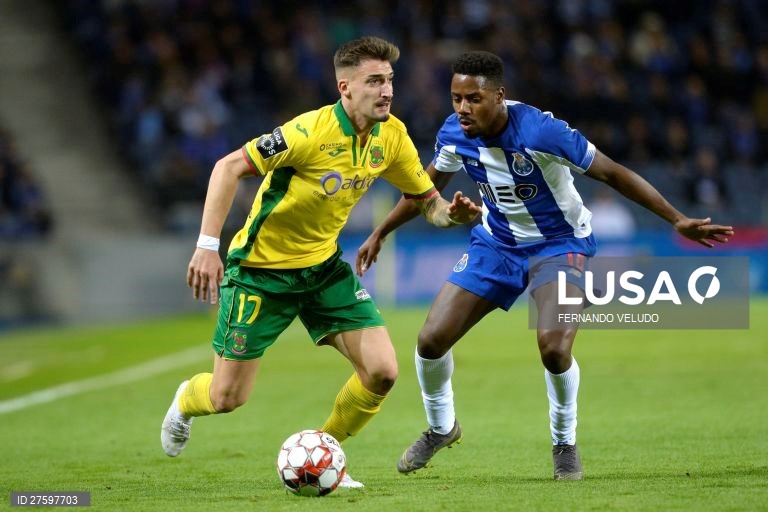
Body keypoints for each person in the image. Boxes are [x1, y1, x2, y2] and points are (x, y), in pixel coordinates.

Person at [356, 51, 733, 481]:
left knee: (554, 347)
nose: (462, 108)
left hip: (559, 245)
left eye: (473, 99)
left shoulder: (542, 131)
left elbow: (612, 173)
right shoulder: (453, 133)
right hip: (496, 244)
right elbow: (423, 191)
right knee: (429, 340)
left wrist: (677, 219)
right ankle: (442, 428)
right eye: (456, 98)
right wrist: (380, 232)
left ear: (500, 96)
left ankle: (564, 442)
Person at [160, 36, 481, 488]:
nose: (387, 91)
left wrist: (452, 215)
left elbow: (427, 201)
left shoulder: (392, 137)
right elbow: (228, 167)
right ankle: (183, 401)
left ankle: (322, 455)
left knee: (383, 372)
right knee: (226, 396)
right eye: (374, 82)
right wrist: (207, 245)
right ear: (345, 87)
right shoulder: (306, 133)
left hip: (322, 270)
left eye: (389, 80)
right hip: (260, 274)